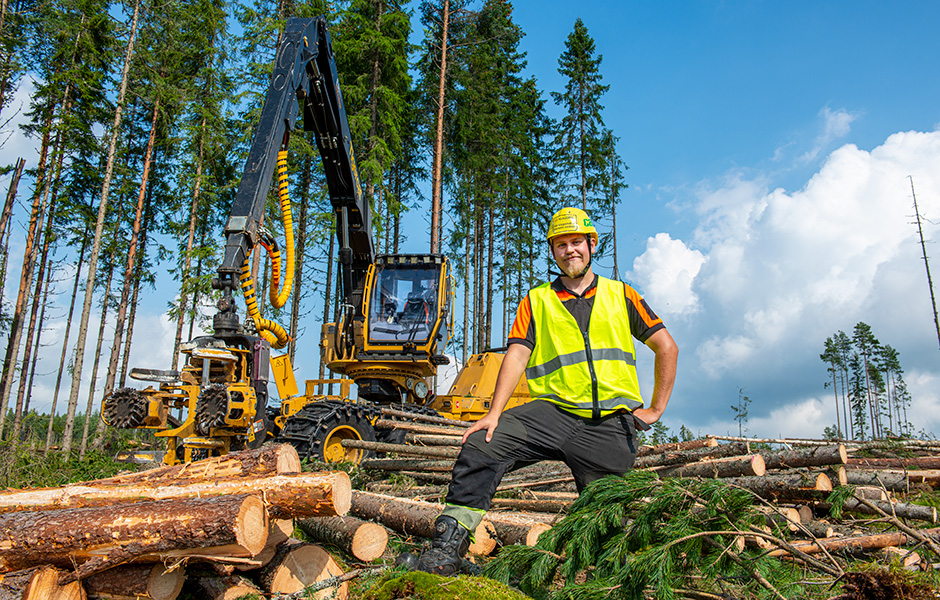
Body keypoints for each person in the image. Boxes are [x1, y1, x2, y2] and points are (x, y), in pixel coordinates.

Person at [415, 207, 679, 575]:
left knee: (605, 522)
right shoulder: (536, 301)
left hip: (609, 427)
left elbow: (667, 347)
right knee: (482, 444)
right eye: (561, 245)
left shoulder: (622, 295)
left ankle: (602, 582)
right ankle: (445, 551)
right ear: (553, 251)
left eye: (576, 242)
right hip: (552, 415)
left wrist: (655, 410)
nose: (570, 250)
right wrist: (493, 412)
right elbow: (516, 355)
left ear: (591, 245)